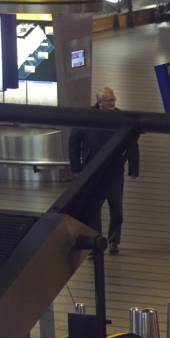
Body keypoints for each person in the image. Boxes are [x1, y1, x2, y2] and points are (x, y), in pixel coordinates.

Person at [69, 87, 139, 255]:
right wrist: (76, 167)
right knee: (94, 209)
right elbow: (74, 142)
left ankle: (114, 241)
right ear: (100, 102)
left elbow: (132, 144)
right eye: (109, 100)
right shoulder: (87, 118)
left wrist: (133, 168)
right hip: (92, 171)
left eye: (113, 99)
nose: (113, 103)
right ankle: (95, 242)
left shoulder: (122, 118)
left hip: (114, 171)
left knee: (116, 208)